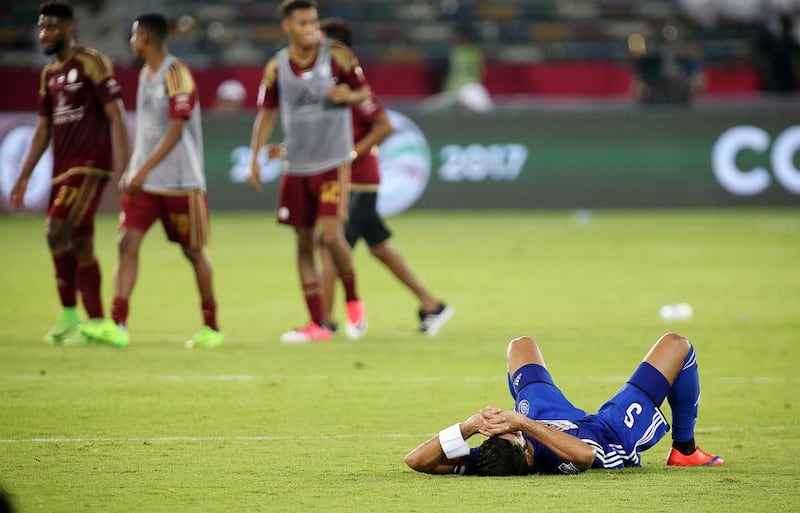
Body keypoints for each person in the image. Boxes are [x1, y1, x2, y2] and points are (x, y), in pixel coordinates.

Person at [81, 13, 223, 348]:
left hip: (181, 183)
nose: (131, 42)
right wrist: (133, 169)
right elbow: (148, 133)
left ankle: (211, 326)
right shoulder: (146, 74)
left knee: (193, 252)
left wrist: (140, 171)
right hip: (146, 185)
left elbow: (176, 130)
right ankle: (118, 323)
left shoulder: (177, 74)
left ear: (144, 37)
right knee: (126, 243)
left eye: (133, 36)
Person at [405, 332, 724, 476]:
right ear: (527, 456)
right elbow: (585, 455)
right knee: (677, 346)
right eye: (510, 434)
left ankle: (528, 411)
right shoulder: (556, 460)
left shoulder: (483, 461)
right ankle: (685, 450)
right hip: (607, 432)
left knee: (521, 345)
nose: (502, 426)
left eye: (495, 431)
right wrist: (523, 424)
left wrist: (471, 425)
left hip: (548, 413)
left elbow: (416, 461)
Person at [318, 18, 454, 337]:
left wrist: (351, 154)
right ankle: (432, 305)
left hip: (358, 181)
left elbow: (385, 126)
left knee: (330, 248)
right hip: (348, 180)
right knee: (378, 247)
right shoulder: (332, 86)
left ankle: (322, 322)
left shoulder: (354, 87)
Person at [247, 0, 369, 343]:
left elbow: (365, 93)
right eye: (303, 22)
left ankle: (354, 299)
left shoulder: (338, 56)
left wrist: (350, 94)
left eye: (313, 21)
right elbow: (266, 114)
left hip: (332, 162)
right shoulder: (276, 67)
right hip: (296, 166)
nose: (311, 28)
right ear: (288, 27)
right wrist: (254, 157)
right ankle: (317, 323)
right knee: (302, 244)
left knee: (330, 236)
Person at [9, 0, 130, 345]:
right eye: (41, 27)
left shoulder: (91, 61)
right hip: (62, 170)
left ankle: (69, 315)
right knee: (80, 241)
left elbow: (116, 113)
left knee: (55, 228)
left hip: (90, 164)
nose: (44, 34)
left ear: (68, 29)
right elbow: (43, 129)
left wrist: (125, 164)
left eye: (51, 27)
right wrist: (23, 176)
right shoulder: (49, 75)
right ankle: (96, 323)